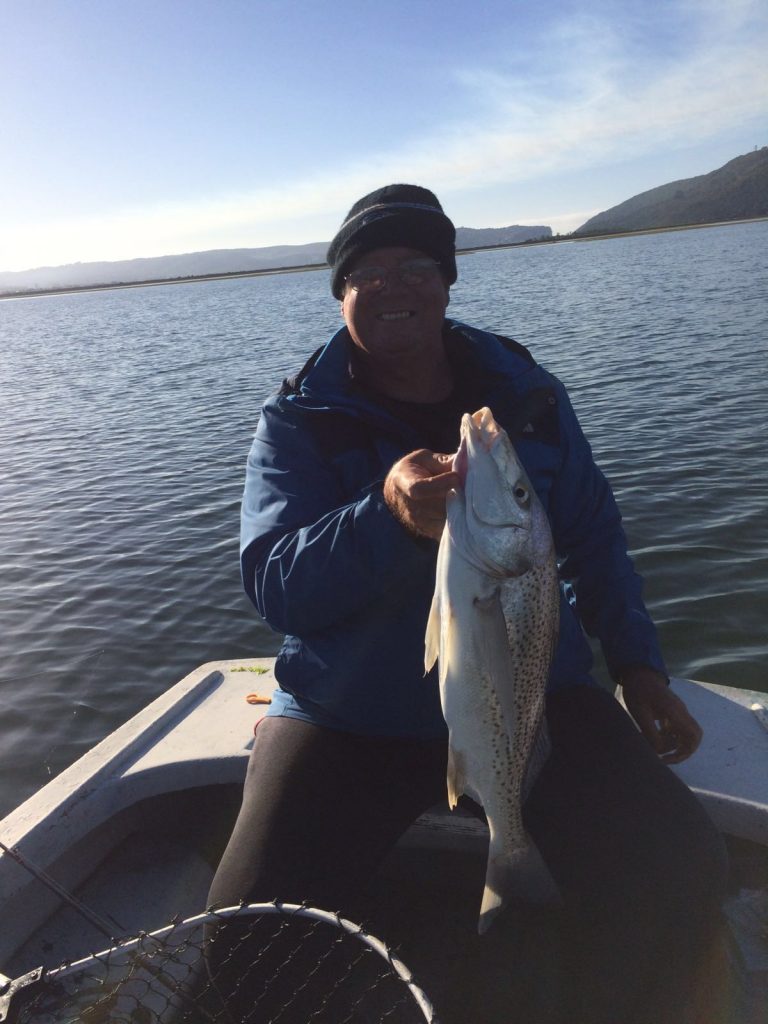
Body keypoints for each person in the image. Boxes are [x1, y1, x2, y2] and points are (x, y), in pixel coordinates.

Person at [207, 185, 729, 1023]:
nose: (394, 285)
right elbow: (276, 585)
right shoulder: (300, 423)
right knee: (249, 941)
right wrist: (383, 517)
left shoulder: (525, 395)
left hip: (532, 699)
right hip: (347, 718)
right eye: (367, 272)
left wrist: (637, 666)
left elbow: (594, 535)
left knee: (684, 869)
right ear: (339, 292)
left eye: (415, 265)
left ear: (447, 282)